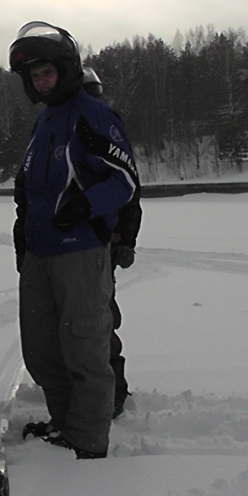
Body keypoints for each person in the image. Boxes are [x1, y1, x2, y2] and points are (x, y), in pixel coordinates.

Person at [9, 22, 138, 459]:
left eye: (47, 73)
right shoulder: (44, 120)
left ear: (66, 70)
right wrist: (23, 240)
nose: (41, 82)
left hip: (80, 250)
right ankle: (66, 425)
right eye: (34, 77)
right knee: (42, 351)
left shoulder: (93, 115)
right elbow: (28, 188)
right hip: (39, 252)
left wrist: (85, 206)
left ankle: (87, 442)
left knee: (84, 350)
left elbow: (124, 181)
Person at [81, 66, 143, 418]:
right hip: (70, 244)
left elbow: (130, 195)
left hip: (102, 243)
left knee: (101, 320)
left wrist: (126, 240)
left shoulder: (106, 135)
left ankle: (113, 393)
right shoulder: (62, 133)